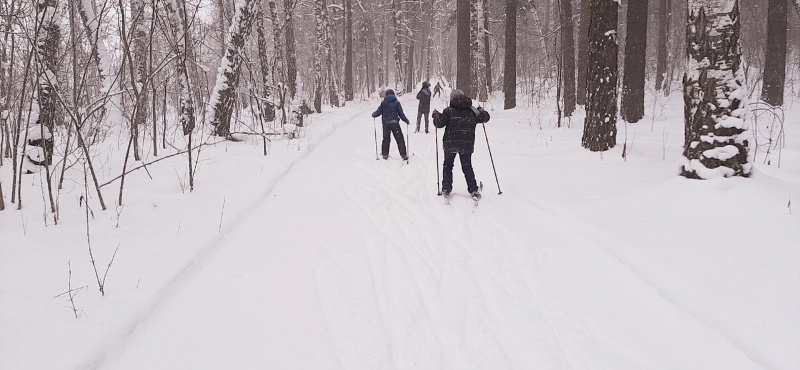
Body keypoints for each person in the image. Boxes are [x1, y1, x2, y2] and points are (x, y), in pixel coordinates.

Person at [432, 89, 490, 199]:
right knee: (467, 166)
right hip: (466, 144)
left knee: (448, 166)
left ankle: (446, 189)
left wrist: (435, 115)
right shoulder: (472, 111)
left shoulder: (448, 111)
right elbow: (485, 118)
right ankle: (473, 190)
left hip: (450, 143)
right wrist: (481, 110)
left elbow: (439, 123)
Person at [372, 89, 409, 160]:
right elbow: (401, 114)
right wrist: (406, 120)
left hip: (386, 124)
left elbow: (379, 112)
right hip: (395, 123)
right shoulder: (397, 103)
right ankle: (403, 154)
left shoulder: (383, 103)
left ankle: (385, 154)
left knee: (386, 139)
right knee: (399, 138)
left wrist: (374, 114)